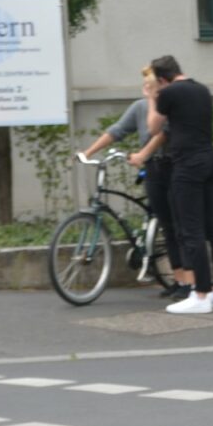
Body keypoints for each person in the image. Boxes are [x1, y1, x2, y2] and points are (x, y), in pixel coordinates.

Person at [79, 68, 191, 300]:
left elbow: (160, 132)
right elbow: (117, 131)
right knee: (167, 224)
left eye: (155, 89)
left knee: (176, 225)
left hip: (171, 167)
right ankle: (177, 280)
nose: (152, 92)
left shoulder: (169, 107)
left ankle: (187, 282)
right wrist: (88, 152)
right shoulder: (139, 107)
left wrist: (154, 104)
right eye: (149, 89)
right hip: (152, 169)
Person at [147, 55, 213, 314]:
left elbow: (153, 128)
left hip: (188, 166)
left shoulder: (168, 92)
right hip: (210, 160)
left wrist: (152, 96)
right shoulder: (201, 89)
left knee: (190, 230)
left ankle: (201, 295)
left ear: (162, 79)